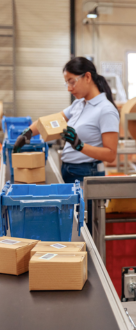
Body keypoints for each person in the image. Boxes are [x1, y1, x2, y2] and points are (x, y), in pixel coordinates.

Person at [14, 57, 119, 231]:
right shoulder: (79, 104)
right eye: (66, 84)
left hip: (87, 175)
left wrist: (79, 145)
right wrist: (27, 133)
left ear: (87, 77)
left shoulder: (106, 110)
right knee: (71, 227)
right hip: (69, 171)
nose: (69, 88)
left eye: (72, 82)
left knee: (85, 230)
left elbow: (110, 154)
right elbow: (51, 121)